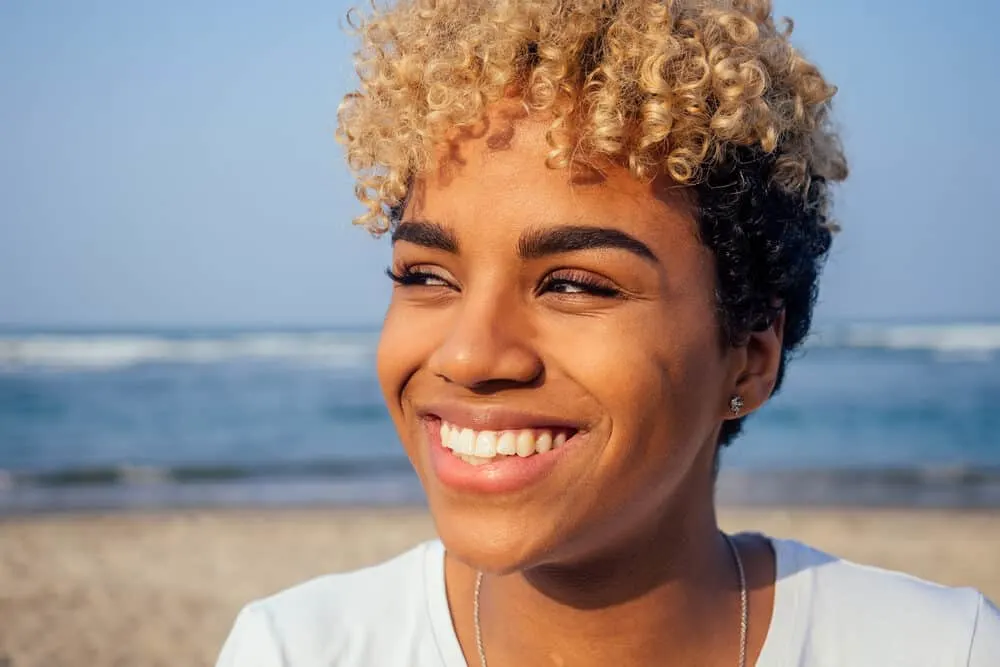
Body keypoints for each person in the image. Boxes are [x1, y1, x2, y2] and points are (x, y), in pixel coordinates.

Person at [216, 0, 1000, 665]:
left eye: (574, 284)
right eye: (426, 276)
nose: (468, 353)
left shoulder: (943, 648)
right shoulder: (296, 648)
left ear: (750, 358)